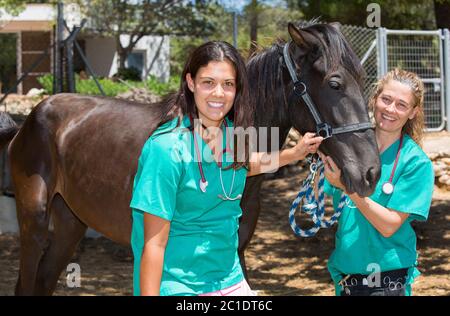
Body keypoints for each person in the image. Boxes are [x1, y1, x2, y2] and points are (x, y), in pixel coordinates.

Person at [130, 41, 323, 296]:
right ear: (190, 83)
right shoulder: (166, 149)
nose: (218, 93)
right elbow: (153, 245)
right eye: (208, 82)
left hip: (229, 279)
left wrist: (293, 153)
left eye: (228, 84)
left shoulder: (233, 134)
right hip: (179, 285)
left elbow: (241, 167)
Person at [319, 68, 434, 296]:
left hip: (387, 283)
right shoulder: (347, 148)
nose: (391, 109)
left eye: (401, 104)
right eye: (386, 99)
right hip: (346, 279)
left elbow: (389, 225)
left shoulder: (416, 163)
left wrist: (348, 188)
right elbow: (318, 199)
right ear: (374, 100)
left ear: (413, 112)